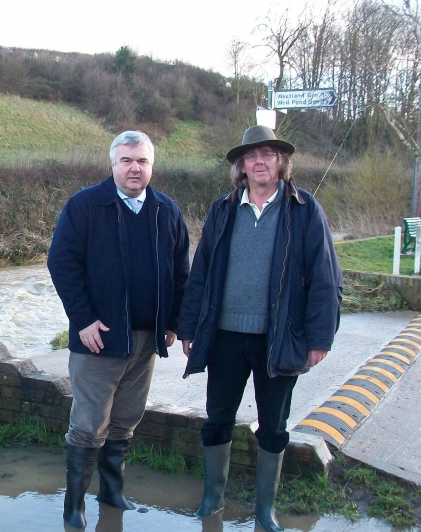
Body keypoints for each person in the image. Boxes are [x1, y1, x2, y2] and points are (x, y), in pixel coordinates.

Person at [175, 125, 342, 532]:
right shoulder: (223, 209)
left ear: (280, 162)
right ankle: (213, 497)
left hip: (278, 340)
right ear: (241, 166)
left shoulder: (304, 209)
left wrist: (320, 338)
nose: (260, 161)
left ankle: (264, 510)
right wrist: (188, 328)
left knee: (274, 426)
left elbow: (326, 278)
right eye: (252, 156)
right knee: (217, 419)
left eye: (268, 154)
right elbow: (201, 273)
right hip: (226, 338)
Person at [47, 130, 191, 529]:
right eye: (126, 160)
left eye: (142, 161)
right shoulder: (85, 205)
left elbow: (181, 273)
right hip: (99, 338)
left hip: (147, 339)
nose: (134, 167)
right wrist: (83, 318)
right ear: (112, 164)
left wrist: (175, 323)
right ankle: (73, 507)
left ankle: (112, 494)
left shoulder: (167, 210)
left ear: (151, 166)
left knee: (126, 419)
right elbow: (62, 263)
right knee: (89, 424)